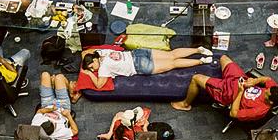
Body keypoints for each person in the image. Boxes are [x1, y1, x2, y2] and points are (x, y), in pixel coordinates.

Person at [172, 55, 278, 122]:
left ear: (270, 101)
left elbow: (233, 113)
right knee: (223, 58)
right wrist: (254, 81)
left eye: (266, 93)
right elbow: (267, 79)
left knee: (196, 78)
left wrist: (240, 92)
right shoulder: (275, 90)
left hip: (227, 92)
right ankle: (224, 77)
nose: (265, 90)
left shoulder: (259, 111)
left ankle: (185, 104)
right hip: (241, 80)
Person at [80, 46, 210, 90]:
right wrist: (89, 64)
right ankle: (199, 49)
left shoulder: (104, 68)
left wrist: (87, 73)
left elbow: (99, 85)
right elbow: (84, 53)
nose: (93, 70)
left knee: (173, 63)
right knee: (171, 55)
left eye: (92, 67)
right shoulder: (101, 51)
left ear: (94, 60)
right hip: (137, 53)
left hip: (140, 66)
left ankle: (201, 61)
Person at [30, 72, 79, 140]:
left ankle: (53, 86)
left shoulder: (36, 125)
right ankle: (68, 92)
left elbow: (39, 111)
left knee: (45, 75)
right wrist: (68, 116)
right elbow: (75, 131)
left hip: (48, 104)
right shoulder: (59, 133)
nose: (52, 121)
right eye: (54, 123)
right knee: (59, 77)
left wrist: (51, 109)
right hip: (62, 106)